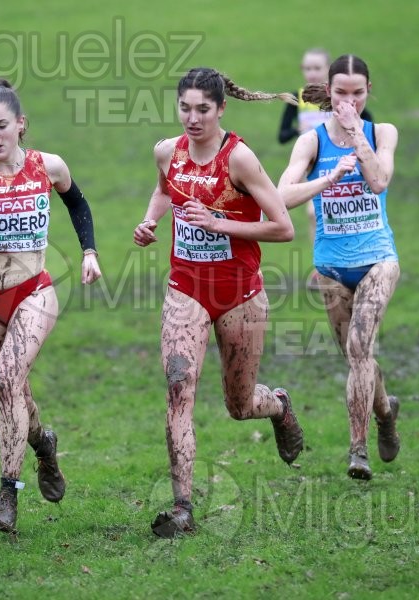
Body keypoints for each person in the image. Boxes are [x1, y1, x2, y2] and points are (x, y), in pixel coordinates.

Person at [133, 67, 302, 537]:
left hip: (240, 294)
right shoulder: (167, 151)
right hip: (185, 289)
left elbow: (283, 227)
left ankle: (279, 406)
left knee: (239, 403)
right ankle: (183, 507)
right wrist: (149, 222)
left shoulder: (239, 159)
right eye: (184, 108)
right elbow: (165, 190)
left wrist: (219, 224)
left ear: (221, 108)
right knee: (178, 388)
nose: (192, 118)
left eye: (202, 109)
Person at [0, 78, 102, 535]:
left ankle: (8, 495)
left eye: (0, 126)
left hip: (34, 290)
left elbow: (78, 203)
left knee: (10, 380)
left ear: (20, 125)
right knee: (12, 392)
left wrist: (89, 251)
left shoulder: (47, 166)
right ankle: (43, 445)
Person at [277, 54, 401, 481]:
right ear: (328, 92)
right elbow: (282, 196)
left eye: (358, 93)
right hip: (331, 268)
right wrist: (327, 180)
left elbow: (380, 180)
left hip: (377, 261)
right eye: (342, 93)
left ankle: (357, 451)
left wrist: (356, 137)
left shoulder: (381, 132)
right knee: (359, 359)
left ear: (369, 92)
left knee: (360, 350)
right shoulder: (311, 143)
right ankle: (385, 412)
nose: (350, 101)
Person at [278, 48, 373, 290]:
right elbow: (281, 135)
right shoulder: (297, 99)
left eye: (317, 68)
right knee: (313, 214)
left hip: (348, 167)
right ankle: (319, 268)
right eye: (307, 68)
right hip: (316, 167)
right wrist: (302, 135)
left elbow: (369, 123)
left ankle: (356, 259)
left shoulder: (346, 99)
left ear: (327, 71)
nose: (312, 73)